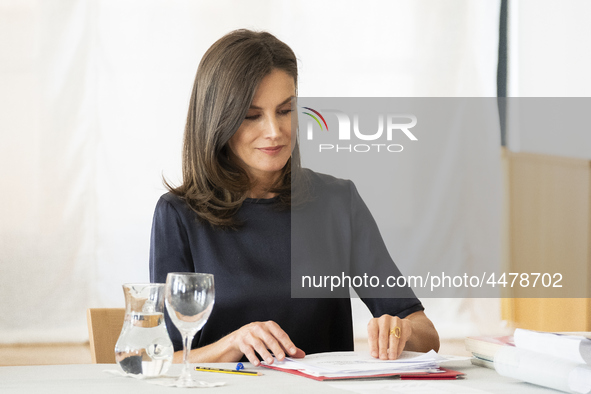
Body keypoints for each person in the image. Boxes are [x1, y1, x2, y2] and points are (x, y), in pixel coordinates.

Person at [149, 29, 439, 366]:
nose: (275, 131)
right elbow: (161, 357)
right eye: (252, 116)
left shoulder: (336, 202)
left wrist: (401, 330)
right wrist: (232, 343)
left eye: (285, 110)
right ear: (218, 121)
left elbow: (426, 333)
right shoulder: (179, 214)